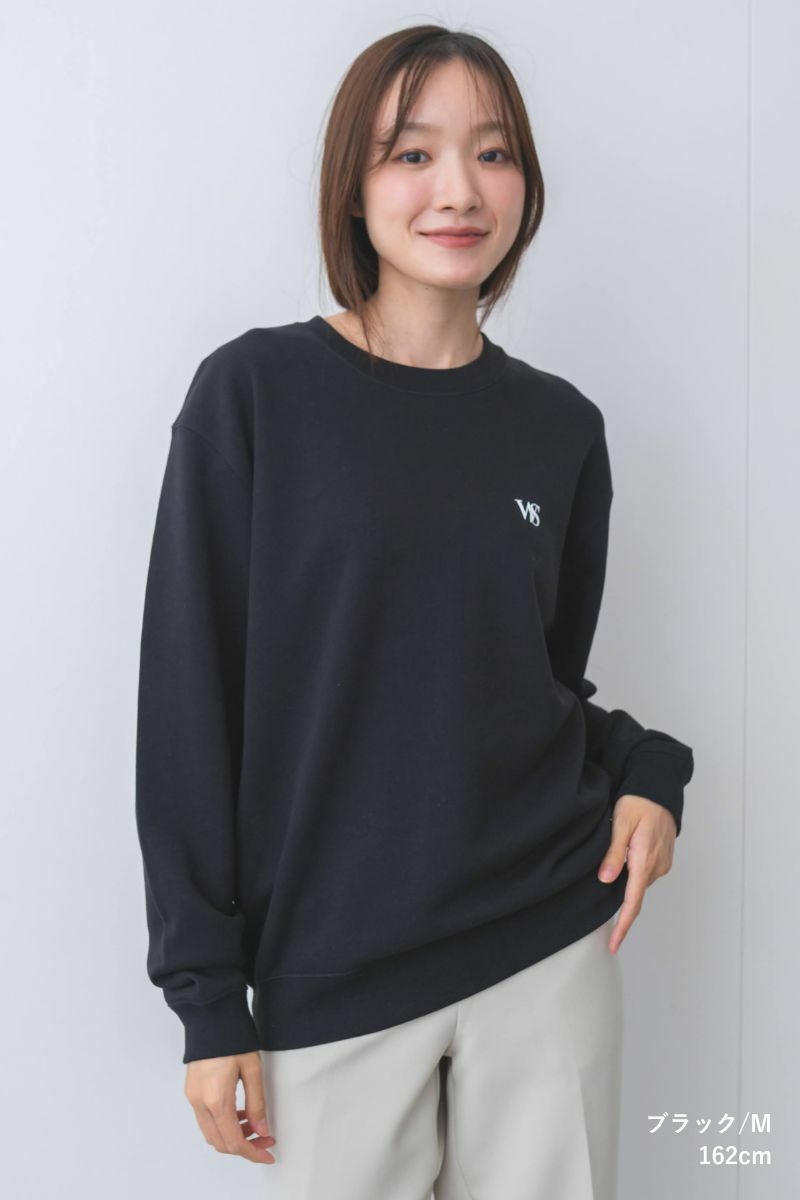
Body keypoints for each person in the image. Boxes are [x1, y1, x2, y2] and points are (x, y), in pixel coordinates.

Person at [134, 24, 694, 1200]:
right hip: (329, 975)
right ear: (353, 184)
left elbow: (526, 688)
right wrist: (205, 999)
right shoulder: (254, 397)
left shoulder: (559, 430)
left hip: (544, 946)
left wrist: (648, 769)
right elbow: (188, 709)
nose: (457, 190)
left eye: (492, 154)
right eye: (411, 154)